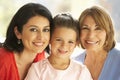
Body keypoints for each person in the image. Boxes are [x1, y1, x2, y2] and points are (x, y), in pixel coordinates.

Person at [25, 13, 93, 80]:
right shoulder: (37, 69)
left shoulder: (81, 71)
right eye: (59, 40)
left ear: (76, 43)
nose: (64, 46)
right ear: (50, 39)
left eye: (70, 42)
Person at [0, 3, 53, 80]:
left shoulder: (42, 59)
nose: (41, 37)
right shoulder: (2, 60)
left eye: (46, 30)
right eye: (33, 29)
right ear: (18, 32)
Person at [73, 6, 120, 80]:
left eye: (98, 28)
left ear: (108, 32)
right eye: (85, 28)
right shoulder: (73, 62)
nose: (91, 35)